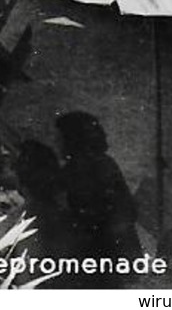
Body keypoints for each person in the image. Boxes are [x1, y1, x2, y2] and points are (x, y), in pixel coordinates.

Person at [54, 111, 142, 269]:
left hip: (103, 254)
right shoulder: (105, 163)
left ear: (71, 138)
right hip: (118, 251)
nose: (56, 143)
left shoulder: (81, 169)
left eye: (59, 138)